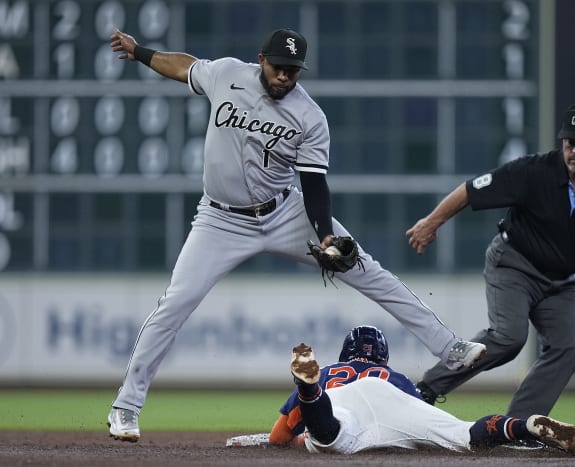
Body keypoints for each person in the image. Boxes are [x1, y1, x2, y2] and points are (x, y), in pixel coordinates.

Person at [105, 28, 486, 442]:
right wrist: (141, 52)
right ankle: (125, 407)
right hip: (219, 220)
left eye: (294, 70)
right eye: (279, 67)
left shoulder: (309, 117)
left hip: (284, 211)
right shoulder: (227, 75)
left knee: (369, 272)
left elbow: (314, 186)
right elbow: (184, 66)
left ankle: (449, 348)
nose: (286, 76)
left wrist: (324, 235)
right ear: (261, 60)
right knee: (175, 303)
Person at [406, 102, 575, 418]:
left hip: (561, 282)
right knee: (510, 338)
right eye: (569, 142)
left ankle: (517, 424)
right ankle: (426, 389)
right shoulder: (533, 172)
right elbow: (470, 191)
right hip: (514, 264)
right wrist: (431, 222)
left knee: (571, 344)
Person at [261, 325, 575, 456]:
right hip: (391, 397)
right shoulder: (395, 376)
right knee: (463, 435)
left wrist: (299, 438)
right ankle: (525, 424)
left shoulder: (331, 373)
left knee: (330, 435)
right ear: (383, 357)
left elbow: (278, 437)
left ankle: (308, 392)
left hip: (336, 401)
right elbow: (418, 410)